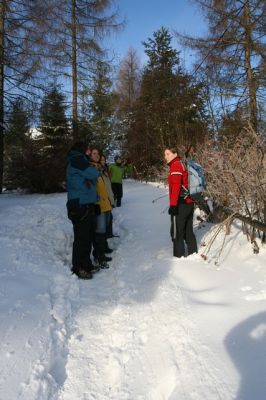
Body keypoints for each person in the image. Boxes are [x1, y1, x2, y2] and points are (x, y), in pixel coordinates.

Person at [66, 141, 100, 279]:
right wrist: (93, 169)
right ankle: (78, 268)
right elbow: (93, 174)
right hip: (79, 206)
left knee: (87, 237)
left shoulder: (80, 160)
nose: (89, 151)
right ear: (81, 149)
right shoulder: (77, 159)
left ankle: (86, 265)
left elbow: (90, 183)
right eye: (87, 149)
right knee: (81, 238)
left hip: (85, 204)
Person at [164, 146, 197, 258]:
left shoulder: (176, 165)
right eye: (165, 155)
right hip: (189, 202)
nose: (165, 157)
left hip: (180, 204)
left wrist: (173, 205)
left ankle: (179, 257)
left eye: (168, 154)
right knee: (188, 230)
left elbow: (176, 186)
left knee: (177, 232)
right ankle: (193, 253)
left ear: (175, 154)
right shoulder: (183, 163)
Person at [89, 147, 113, 268]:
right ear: (89, 155)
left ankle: (102, 253)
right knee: (99, 231)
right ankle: (98, 257)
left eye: (98, 153)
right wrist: (95, 203)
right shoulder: (90, 168)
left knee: (103, 231)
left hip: (106, 204)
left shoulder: (100, 168)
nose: (97, 155)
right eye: (94, 153)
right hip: (98, 206)